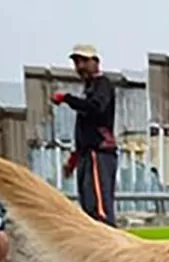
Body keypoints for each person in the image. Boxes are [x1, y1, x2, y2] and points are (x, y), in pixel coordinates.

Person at [52, 44, 117, 227]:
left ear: (95, 62)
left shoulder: (102, 84)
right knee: (89, 209)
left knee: (100, 211)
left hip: (99, 152)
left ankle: (108, 251)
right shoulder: (90, 89)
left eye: (83, 61)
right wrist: (75, 157)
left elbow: (96, 109)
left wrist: (67, 99)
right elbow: (85, 129)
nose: (79, 66)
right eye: (76, 62)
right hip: (88, 154)